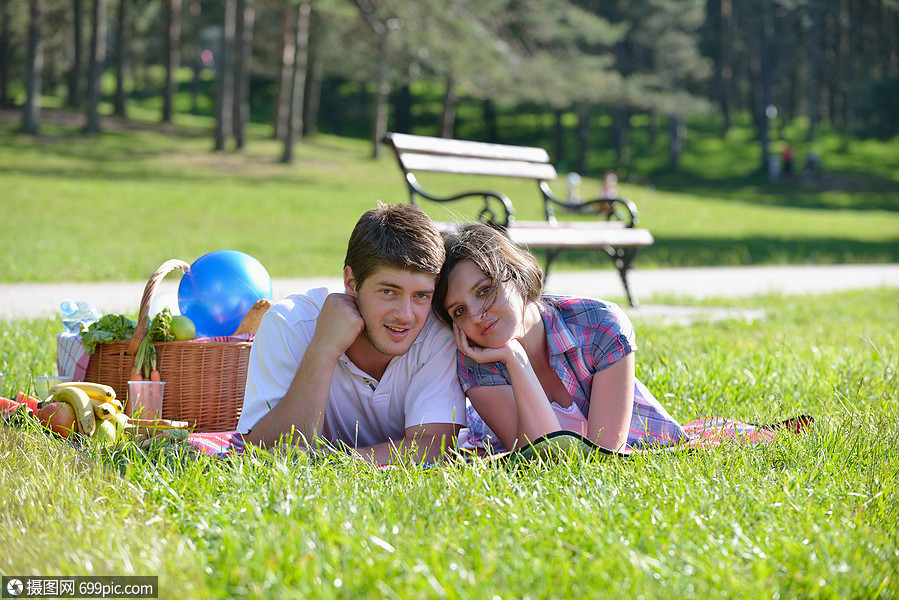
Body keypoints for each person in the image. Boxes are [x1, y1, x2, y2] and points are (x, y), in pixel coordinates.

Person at [238, 203, 466, 464]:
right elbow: (261, 452)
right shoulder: (290, 322)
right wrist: (323, 351)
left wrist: (334, 463)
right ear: (351, 282)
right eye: (388, 291)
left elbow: (434, 446)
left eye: (421, 296)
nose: (405, 315)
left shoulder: (438, 332)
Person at [433, 223, 686, 454]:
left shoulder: (599, 325)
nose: (476, 316)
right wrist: (514, 358)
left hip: (641, 442)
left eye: (484, 290)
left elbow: (606, 456)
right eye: (459, 311)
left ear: (517, 276)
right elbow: (540, 458)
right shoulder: (474, 360)